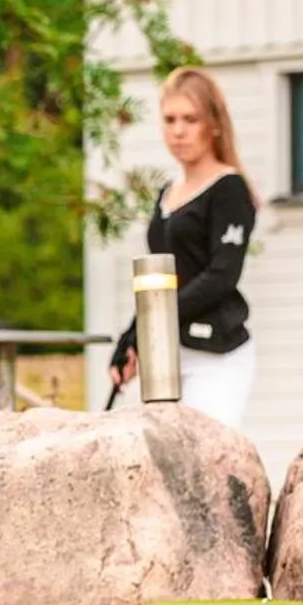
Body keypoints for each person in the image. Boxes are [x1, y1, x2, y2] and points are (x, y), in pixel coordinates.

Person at [108, 67, 259, 429]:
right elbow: (160, 282)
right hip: (167, 358)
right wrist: (131, 339)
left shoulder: (229, 189)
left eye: (190, 119)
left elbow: (222, 275)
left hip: (217, 357)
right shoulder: (166, 194)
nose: (178, 131)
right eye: (170, 119)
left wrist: (152, 320)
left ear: (214, 124)